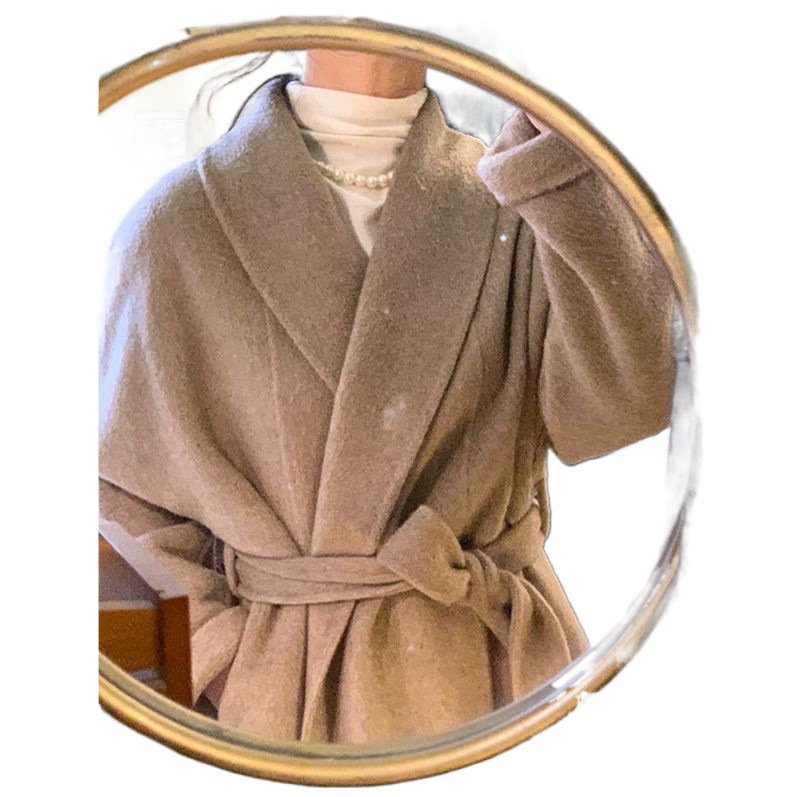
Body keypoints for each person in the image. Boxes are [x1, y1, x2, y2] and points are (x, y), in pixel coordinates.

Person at [99, 48, 677, 744]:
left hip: (495, 676)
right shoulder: (175, 224)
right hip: (284, 702)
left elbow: (625, 409)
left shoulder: (524, 199)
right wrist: (229, 663)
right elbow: (118, 507)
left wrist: (563, 159)